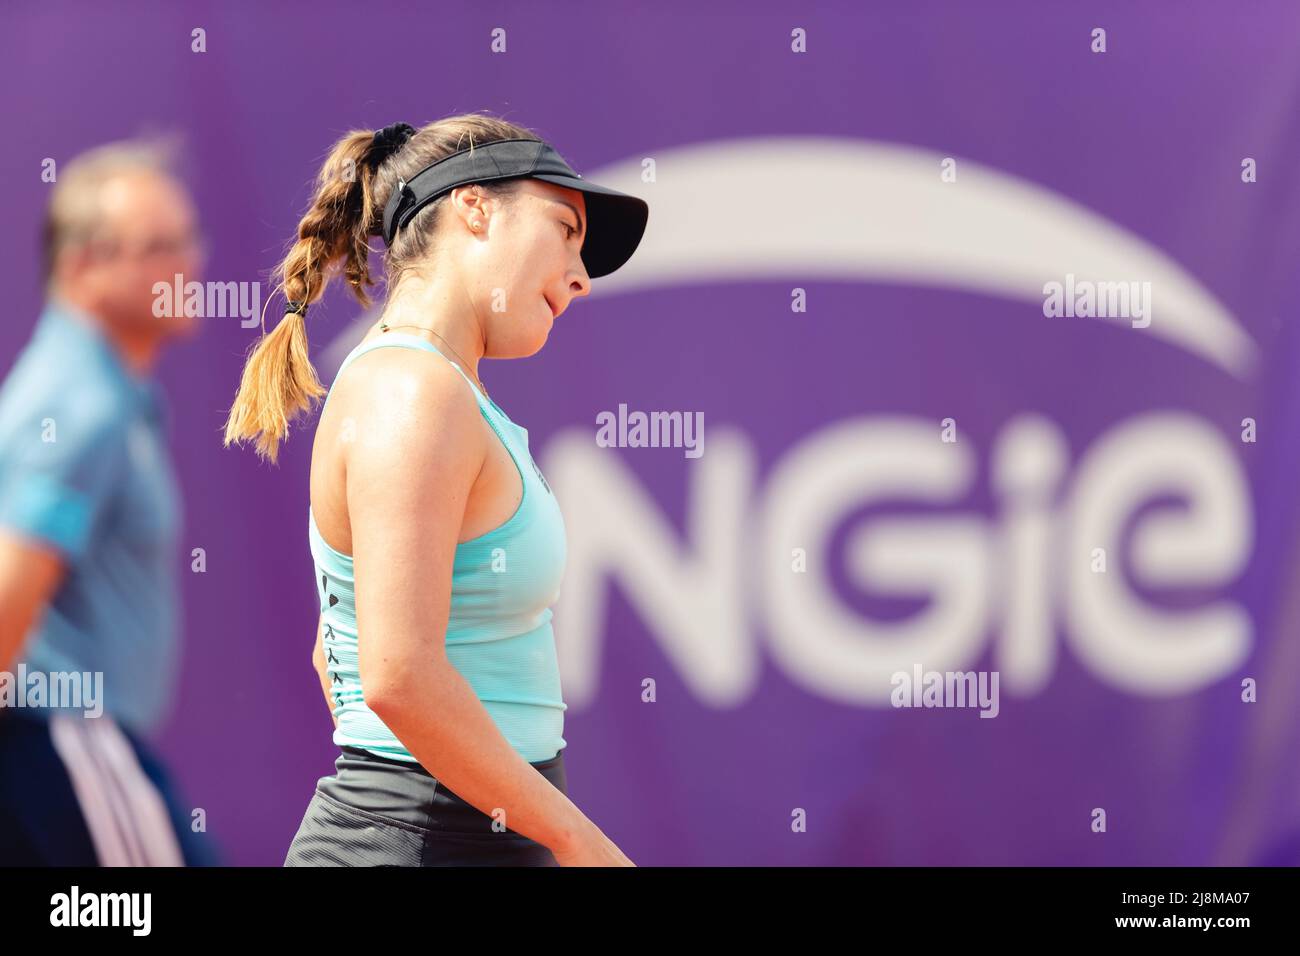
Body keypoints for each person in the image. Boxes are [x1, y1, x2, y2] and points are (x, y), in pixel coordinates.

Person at [223, 113, 648, 866]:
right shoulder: (411, 390)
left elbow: (338, 654)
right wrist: (578, 841)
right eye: (564, 228)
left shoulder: (442, 391)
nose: (582, 277)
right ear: (474, 208)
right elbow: (396, 675)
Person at [0, 138, 216, 865]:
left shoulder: (105, 396)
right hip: (59, 739)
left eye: (187, 239)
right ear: (83, 265)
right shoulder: (80, 406)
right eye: (158, 246)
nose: (188, 265)